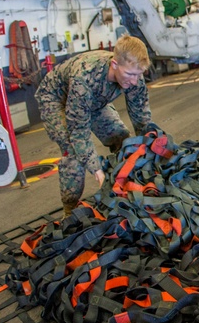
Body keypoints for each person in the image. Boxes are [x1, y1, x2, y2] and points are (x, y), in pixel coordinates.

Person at [36, 36, 152, 216]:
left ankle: (124, 187)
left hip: (94, 100)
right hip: (57, 99)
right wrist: (98, 172)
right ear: (114, 65)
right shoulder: (85, 77)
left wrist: (149, 149)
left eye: (139, 74)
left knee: (122, 138)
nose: (135, 81)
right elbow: (79, 133)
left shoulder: (133, 72)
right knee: (74, 154)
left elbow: (141, 117)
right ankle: (70, 209)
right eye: (130, 75)